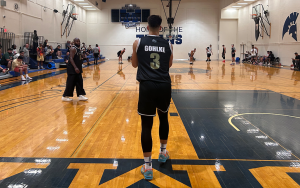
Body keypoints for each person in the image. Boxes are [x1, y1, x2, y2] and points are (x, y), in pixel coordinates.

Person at [131, 15, 173, 180]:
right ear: (160, 28)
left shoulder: (138, 42)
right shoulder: (168, 43)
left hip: (147, 85)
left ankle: (148, 167)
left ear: (147, 27)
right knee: (164, 118)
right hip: (163, 85)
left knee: (146, 125)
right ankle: (163, 153)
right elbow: (169, 64)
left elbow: (134, 64)